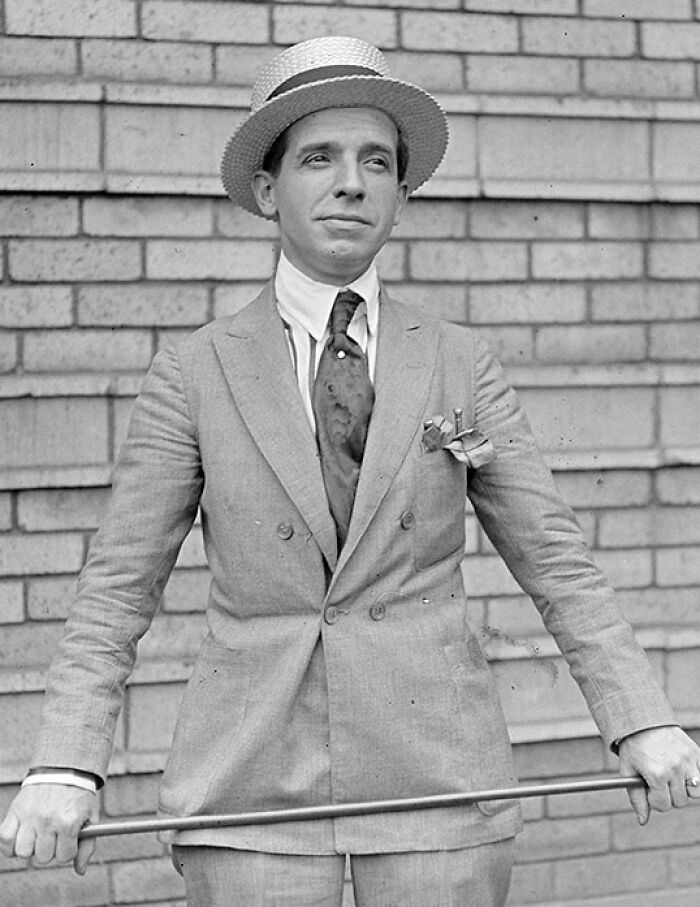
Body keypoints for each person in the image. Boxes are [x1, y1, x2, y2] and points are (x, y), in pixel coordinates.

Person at [1, 35, 699, 907]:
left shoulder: (460, 363)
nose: (351, 181)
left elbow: (558, 563)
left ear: (402, 192)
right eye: (318, 157)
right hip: (249, 786)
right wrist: (66, 761)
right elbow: (115, 588)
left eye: (377, 160)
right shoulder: (194, 371)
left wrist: (641, 716)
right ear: (268, 188)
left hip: (434, 780)